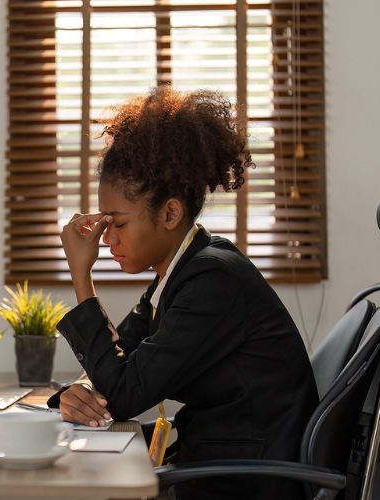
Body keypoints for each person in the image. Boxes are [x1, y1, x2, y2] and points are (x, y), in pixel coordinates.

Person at [49, 85, 319, 500]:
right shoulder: (180, 275)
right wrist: (82, 389)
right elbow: (120, 360)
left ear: (170, 213)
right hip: (215, 466)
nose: (107, 240)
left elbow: (124, 395)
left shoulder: (213, 280)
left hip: (242, 483)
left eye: (117, 224)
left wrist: (81, 277)